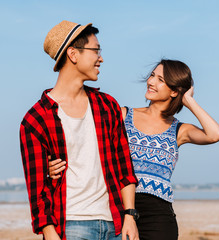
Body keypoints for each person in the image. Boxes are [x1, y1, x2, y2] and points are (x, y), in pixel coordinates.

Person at [50, 59, 219, 239]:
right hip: (120, 209)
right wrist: (53, 163)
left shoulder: (179, 130)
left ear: (174, 91)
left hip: (159, 218)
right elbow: (86, 143)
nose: (151, 82)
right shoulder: (123, 115)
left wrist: (188, 100)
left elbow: (215, 134)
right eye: (152, 76)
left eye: (161, 80)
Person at [19, 20, 139, 240]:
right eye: (96, 50)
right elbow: (37, 190)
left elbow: (125, 168)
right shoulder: (36, 119)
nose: (101, 58)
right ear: (73, 54)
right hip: (71, 226)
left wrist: (130, 216)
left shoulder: (108, 105)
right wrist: (50, 233)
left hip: (115, 225)